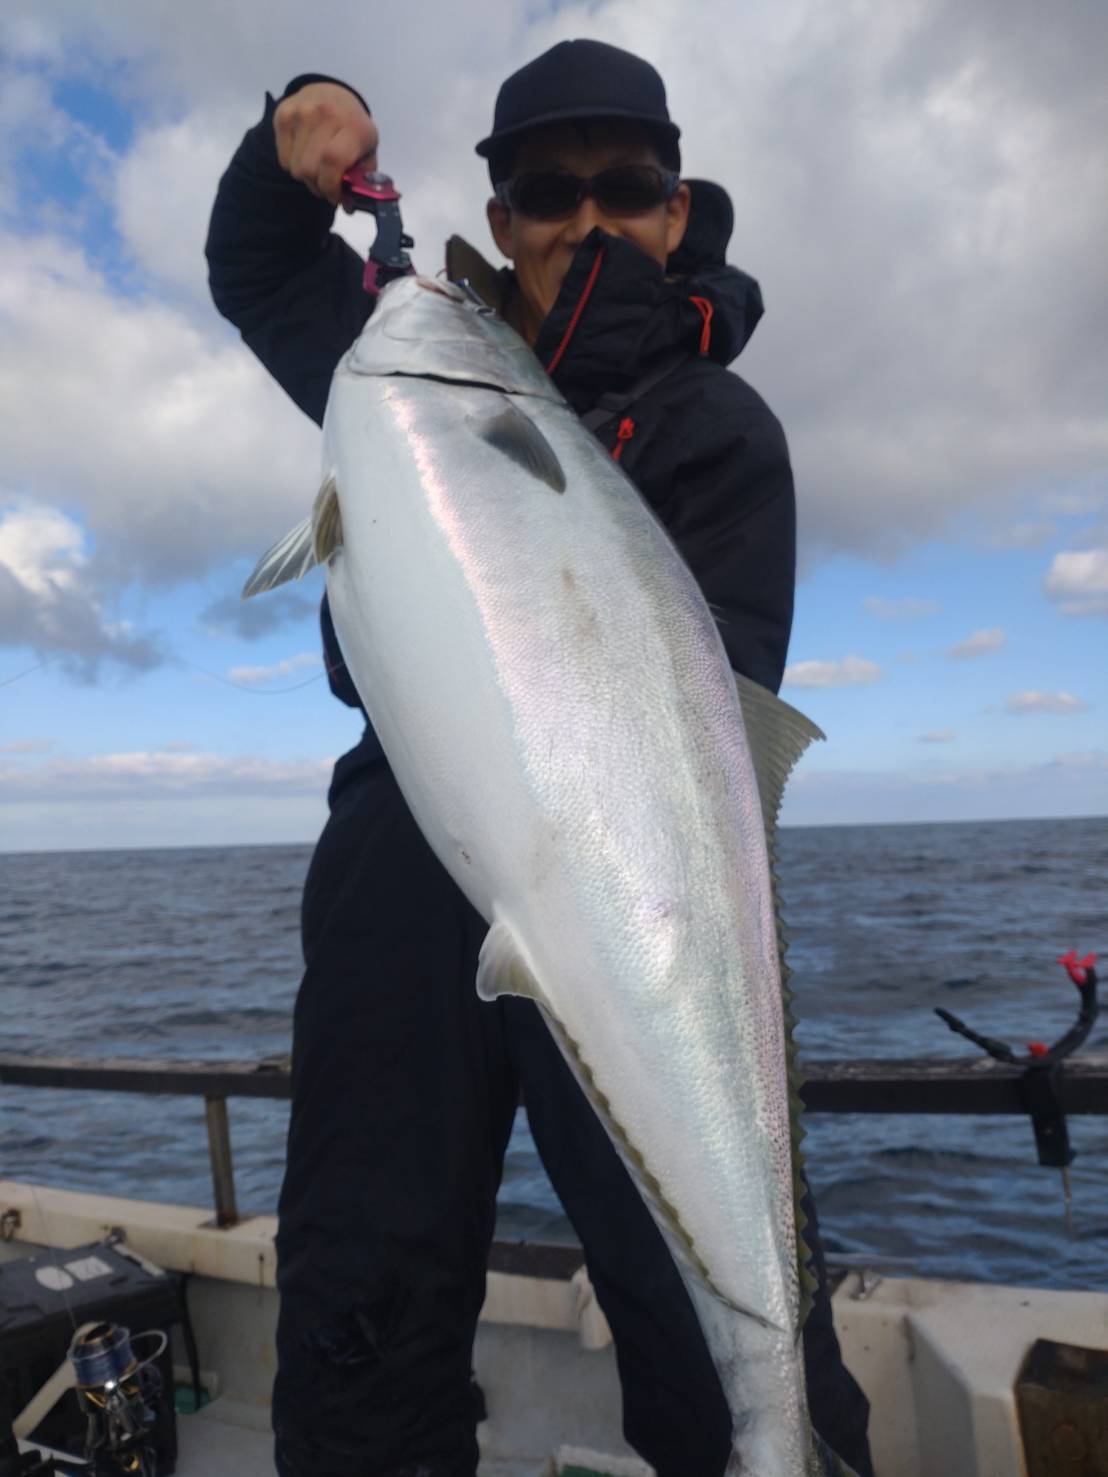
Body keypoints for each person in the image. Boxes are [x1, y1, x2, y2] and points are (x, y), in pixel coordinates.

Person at [206, 38, 875, 1477]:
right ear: (497, 215)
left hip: (635, 892)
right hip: (406, 865)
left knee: (739, 1354)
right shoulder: (411, 361)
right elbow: (260, 270)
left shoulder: (720, 431)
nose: (586, 220)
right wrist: (287, 147)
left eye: (623, 188)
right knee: (358, 1318)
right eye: (546, 190)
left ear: (676, 211)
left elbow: (712, 723)